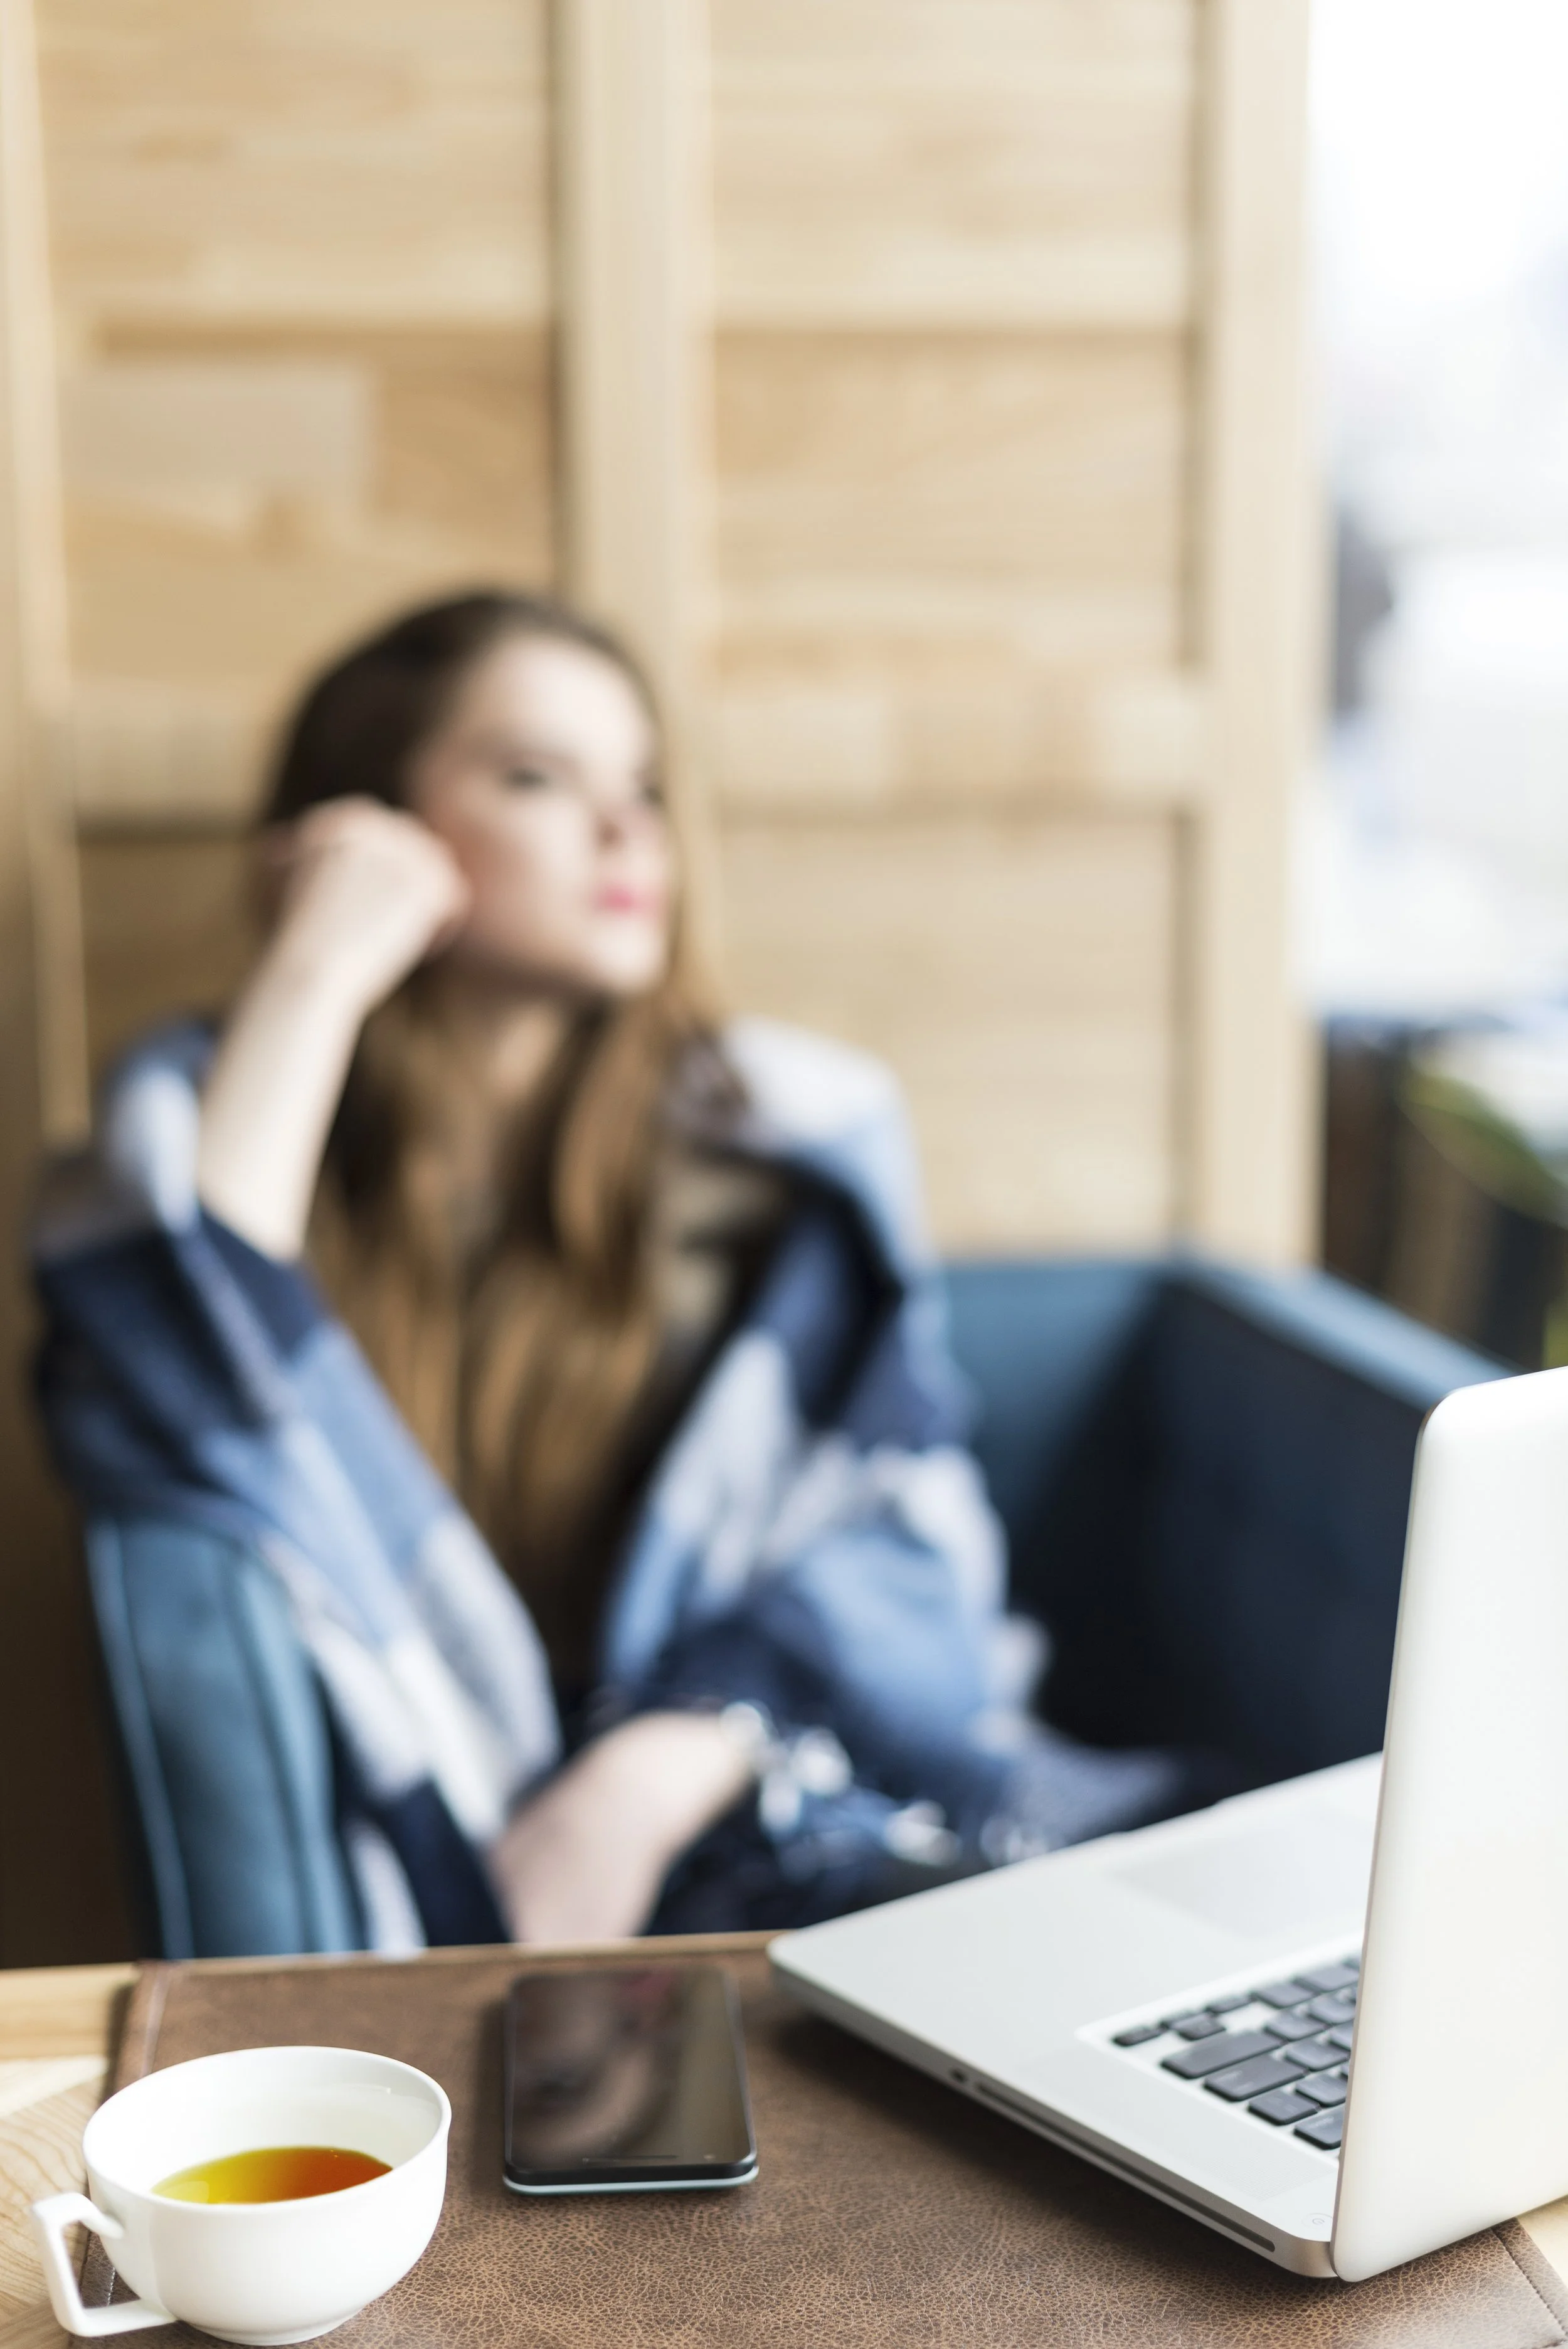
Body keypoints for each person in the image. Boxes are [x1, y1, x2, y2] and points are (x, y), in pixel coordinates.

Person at [34, 590, 1204, 1952]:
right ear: (374, 828)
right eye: (537, 776)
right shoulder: (215, 1137)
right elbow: (175, 1365)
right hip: (482, 1879)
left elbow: (908, 1549)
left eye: (641, 782)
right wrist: (316, 964)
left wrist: (644, 1780)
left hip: (779, 1803)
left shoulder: (784, 1157)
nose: (625, 828)